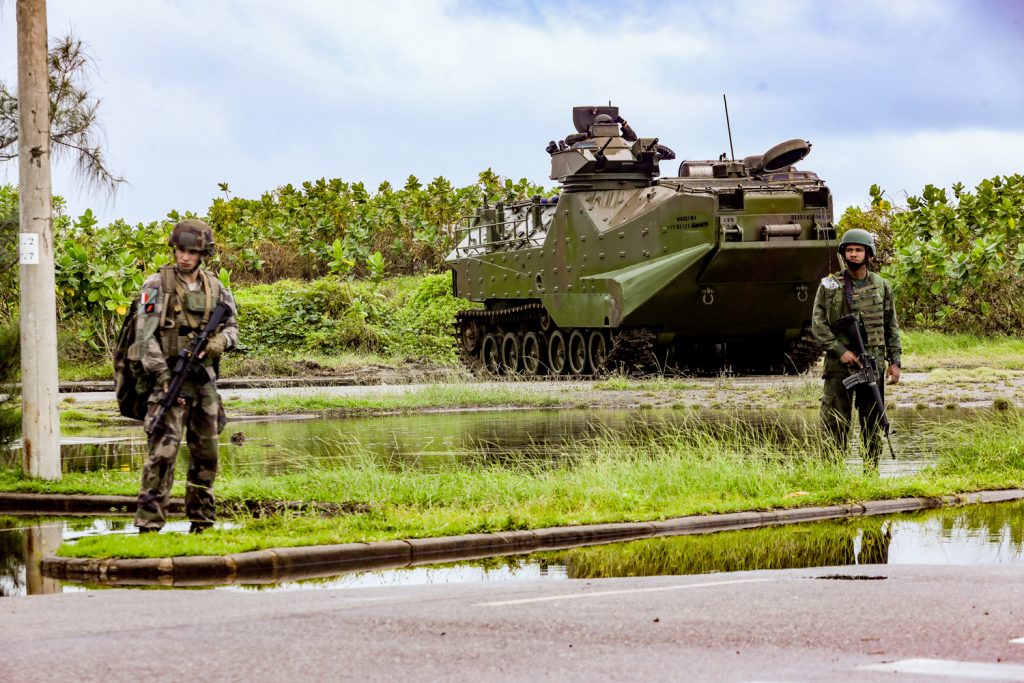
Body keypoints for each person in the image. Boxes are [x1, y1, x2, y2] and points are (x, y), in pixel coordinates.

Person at [131, 219, 239, 533]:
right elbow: (144, 337)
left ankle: (202, 522)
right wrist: (164, 377)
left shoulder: (216, 287)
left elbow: (233, 328)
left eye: (192, 251)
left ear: (203, 252)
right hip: (168, 380)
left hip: (203, 383)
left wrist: (218, 342)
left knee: (207, 454)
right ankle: (149, 525)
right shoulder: (156, 285)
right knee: (162, 455)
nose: (185, 257)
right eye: (181, 250)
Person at [811, 228, 901, 469]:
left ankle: (871, 472)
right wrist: (841, 351)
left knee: (873, 421)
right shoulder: (829, 286)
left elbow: (890, 325)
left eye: (858, 250)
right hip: (839, 366)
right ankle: (833, 474)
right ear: (843, 253)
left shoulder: (882, 286)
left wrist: (895, 361)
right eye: (849, 250)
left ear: (868, 254)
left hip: (872, 363)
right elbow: (818, 326)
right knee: (835, 422)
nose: (853, 254)